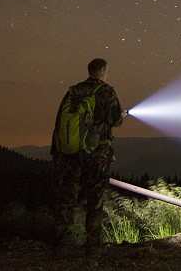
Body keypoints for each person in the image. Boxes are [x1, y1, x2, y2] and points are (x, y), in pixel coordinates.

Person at [50, 58, 125, 254]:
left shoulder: (73, 91)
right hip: (96, 153)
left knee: (67, 197)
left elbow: (61, 123)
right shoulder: (107, 91)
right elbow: (115, 120)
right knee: (95, 198)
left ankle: (63, 244)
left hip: (68, 153)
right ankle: (92, 246)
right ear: (103, 71)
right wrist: (121, 116)